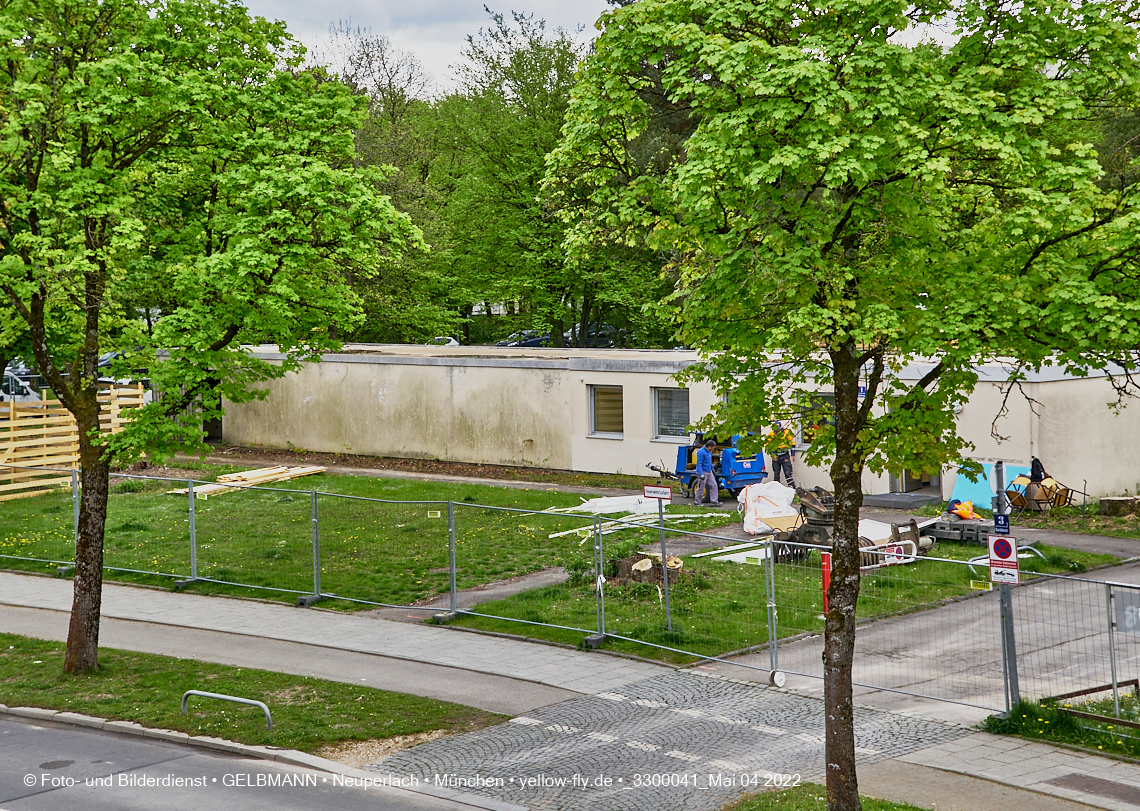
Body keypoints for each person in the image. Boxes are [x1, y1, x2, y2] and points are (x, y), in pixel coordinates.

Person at [768, 421, 796, 488]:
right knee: (776, 474)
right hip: (776, 456)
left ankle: (793, 489)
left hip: (784, 455)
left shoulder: (786, 433)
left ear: (781, 427)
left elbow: (792, 444)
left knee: (788, 473)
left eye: (778, 428)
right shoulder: (771, 434)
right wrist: (772, 455)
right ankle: (776, 489)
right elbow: (768, 446)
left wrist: (793, 454)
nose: (777, 430)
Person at [694, 439, 720, 506]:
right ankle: (697, 502)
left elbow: (709, 462)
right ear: (709, 446)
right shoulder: (701, 452)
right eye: (713, 447)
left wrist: (712, 469)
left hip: (709, 471)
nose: (714, 449)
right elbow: (699, 464)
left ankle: (714, 501)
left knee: (714, 485)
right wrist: (701, 474)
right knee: (701, 487)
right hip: (703, 472)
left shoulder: (709, 452)